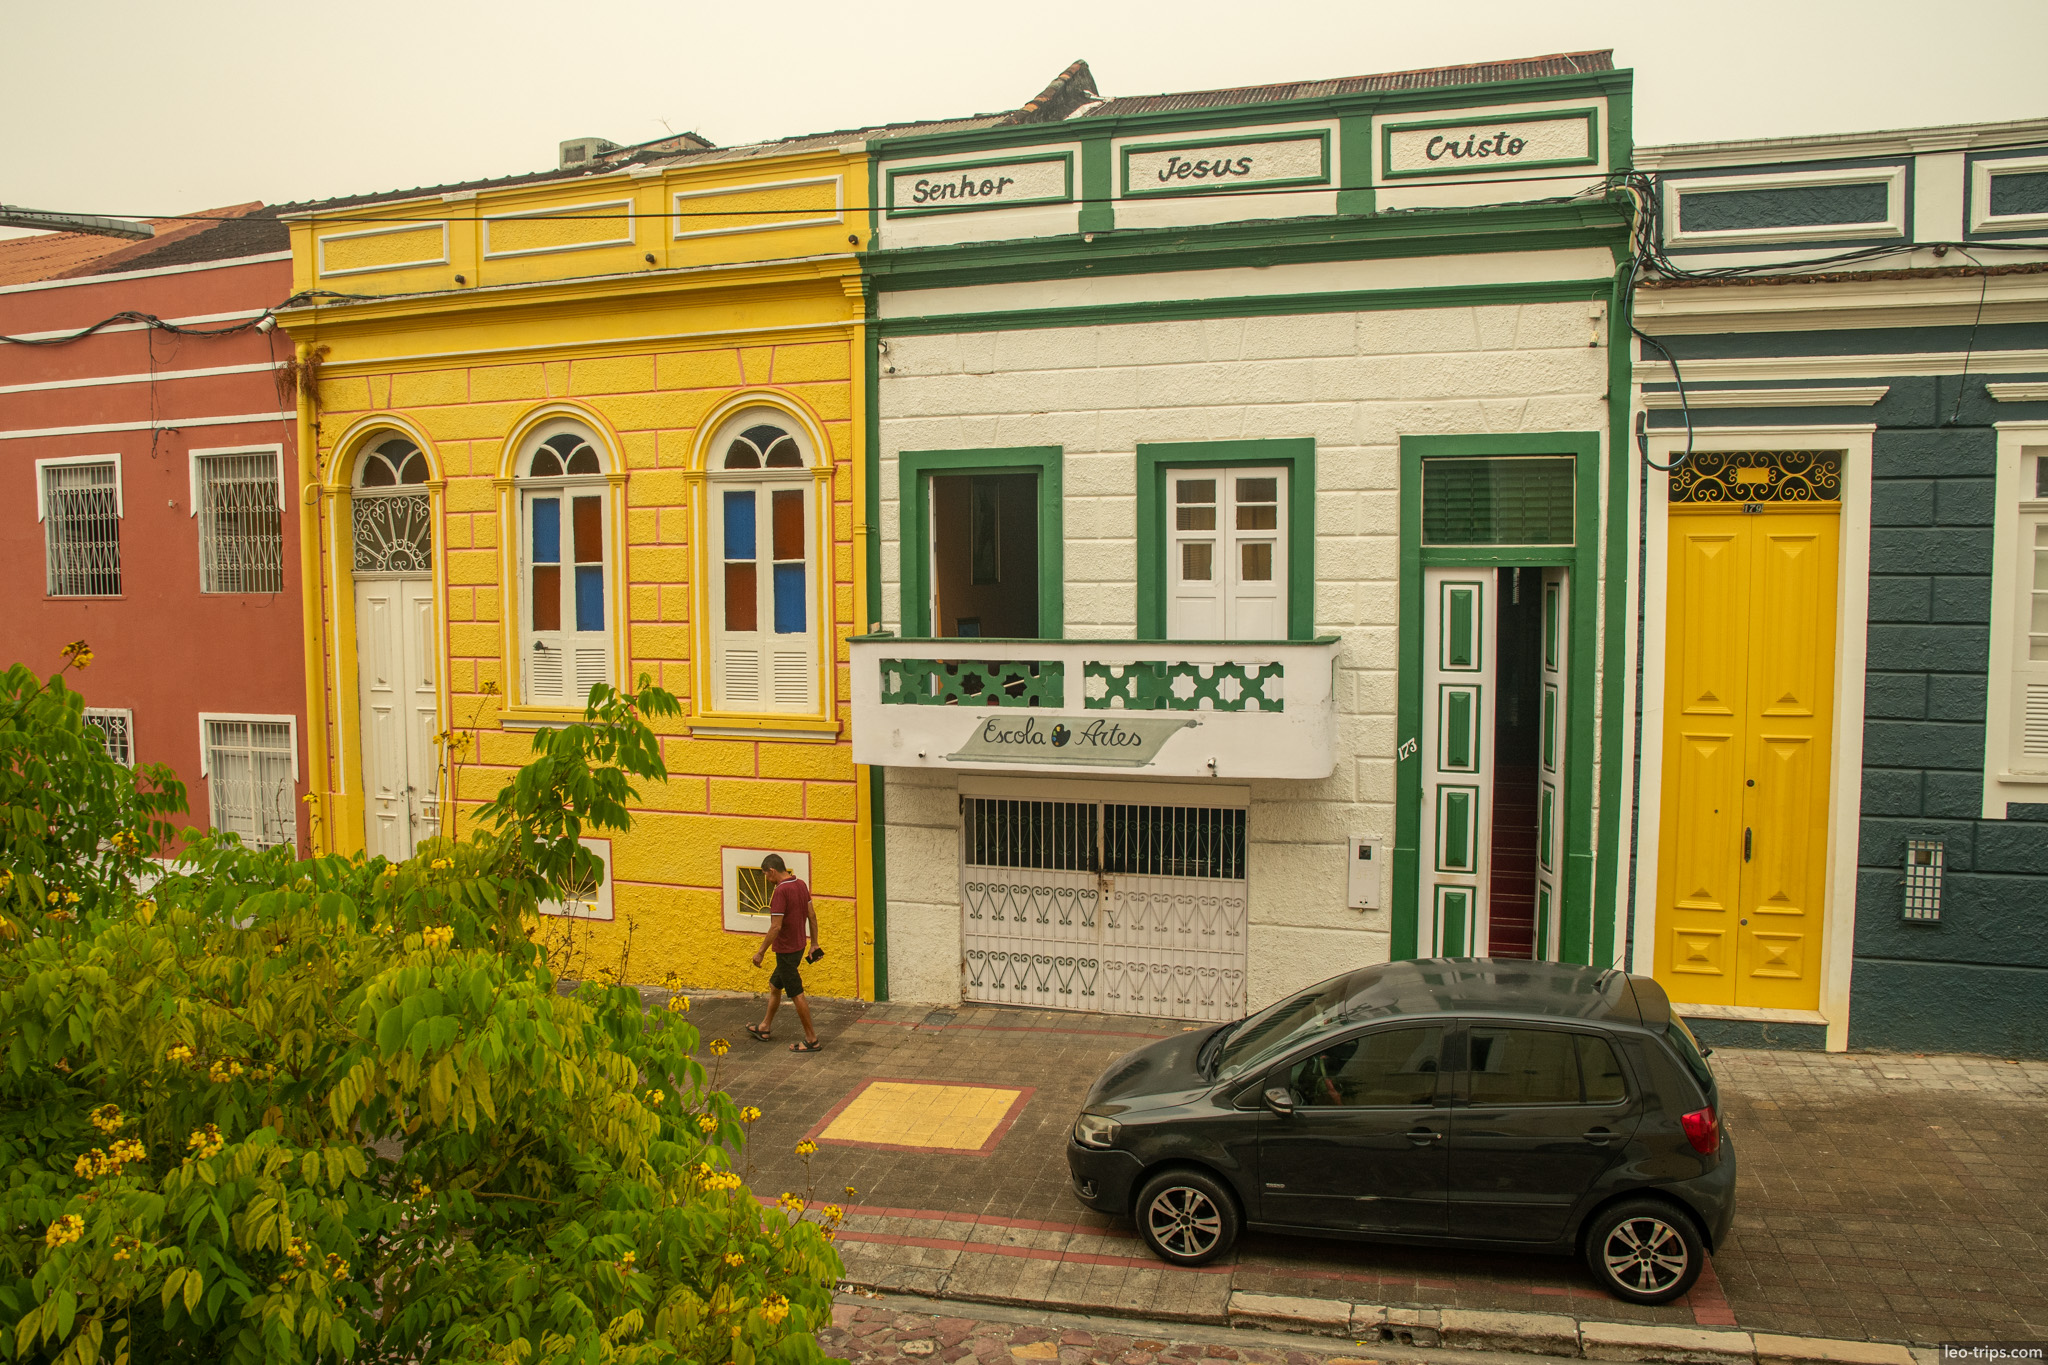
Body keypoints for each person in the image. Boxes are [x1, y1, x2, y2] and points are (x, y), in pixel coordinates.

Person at [747, 853, 821, 1052]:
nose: (766, 879)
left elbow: (775, 927)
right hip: (799, 947)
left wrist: (760, 952)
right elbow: (812, 916)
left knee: (796, 994)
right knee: (774, 985)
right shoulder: (801, 884)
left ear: (771, 871)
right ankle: (764, 1027)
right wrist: (814, 943)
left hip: (786, 951)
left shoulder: (780, 892)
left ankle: (812, 1039)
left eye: (765, 874)